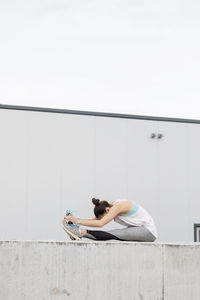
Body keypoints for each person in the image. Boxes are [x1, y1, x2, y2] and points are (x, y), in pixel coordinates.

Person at [62, 198, 158, 242]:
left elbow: (100, 223)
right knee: (114, 233)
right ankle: (78, 231)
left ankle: (80, 232)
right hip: (139, 228)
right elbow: (94, 220)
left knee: (114, 234)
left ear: (107, 210)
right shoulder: (108, 207)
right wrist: (75, 220)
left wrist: (77, 221)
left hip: (148, 231)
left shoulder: (118, 206)